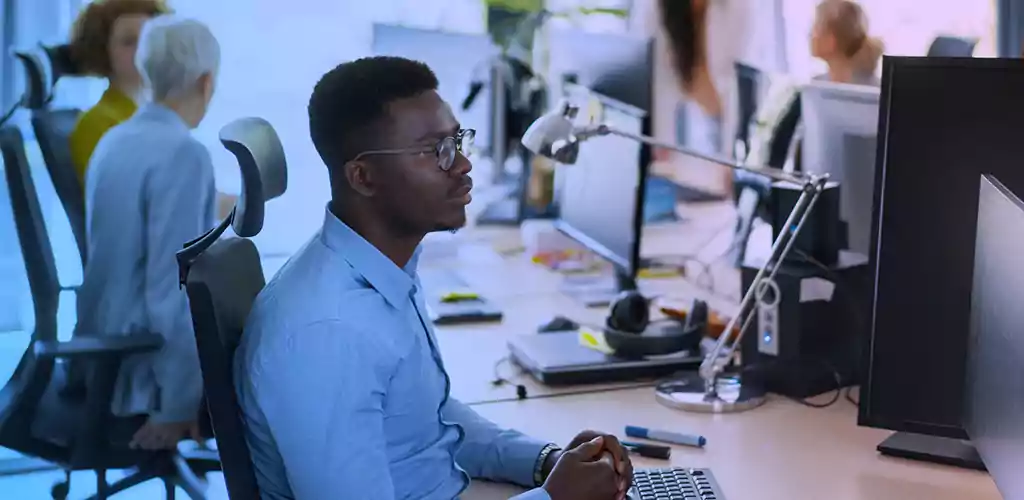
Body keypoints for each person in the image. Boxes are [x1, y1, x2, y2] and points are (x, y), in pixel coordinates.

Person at [234, 56, 634, 500]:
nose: (462, 164)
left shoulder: (381, 268)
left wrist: (544, 462)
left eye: (457, 141)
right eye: (435, 150)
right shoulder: (327, 332)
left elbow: (431, 420)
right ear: (363, 177)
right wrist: (555, 498)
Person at [73, 15, 220, 451]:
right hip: (143, 369)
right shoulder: (184, 154)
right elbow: (170, 289)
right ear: (206, 82)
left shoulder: (114, 139)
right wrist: (177, 404)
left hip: (104, 350)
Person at [68, 0, 170, 186]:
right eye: (129, 42)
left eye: (149, 39)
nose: (142, 50)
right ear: (103, 51)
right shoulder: (96, 123)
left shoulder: (157, 117)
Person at [809, 0, 884, 85]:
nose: (810, 35)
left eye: (815, 28)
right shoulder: (816, 85)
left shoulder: (875, 93)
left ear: (831, 40)